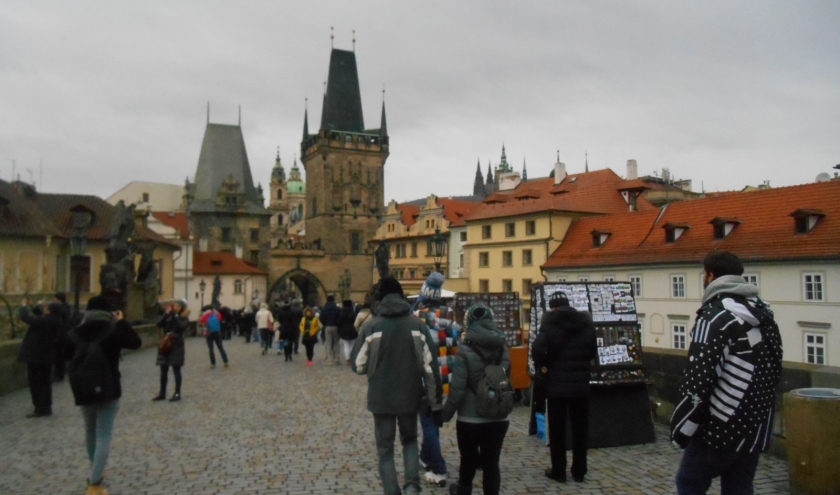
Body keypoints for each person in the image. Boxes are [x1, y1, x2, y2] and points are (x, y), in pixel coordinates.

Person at [671, 251, 783, 495]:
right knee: (739, 487)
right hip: (756, 424)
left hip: (721, 425)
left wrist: (681, 427)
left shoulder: (715, 316)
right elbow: (774, 368)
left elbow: (699, 378)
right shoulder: (763, 313)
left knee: (689, 482)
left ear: (710, 276)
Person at [351, 276, 442, 495]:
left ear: (380, 299)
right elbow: (431, 367)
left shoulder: (371, 326)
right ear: (401, 296)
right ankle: (412, 487)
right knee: (409, 441)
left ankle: (391, 490)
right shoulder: (417, 326)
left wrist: (375, 368)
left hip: (380, 397)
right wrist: (435, 402)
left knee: (385, 449)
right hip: (410, 395)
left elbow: (358, 365)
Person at [65, 295, 141, 495]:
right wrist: (121, 321)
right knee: (104, 434)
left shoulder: (76, 332)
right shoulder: (113, 330)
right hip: (109, 388)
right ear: (109, 312)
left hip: (83, 388)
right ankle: (95, 481)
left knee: (90, 432)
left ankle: (95, 470)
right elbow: (136, 342)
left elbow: (63, 353)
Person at [441, 303, 510, 495]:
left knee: (468, 458)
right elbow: (504, 379)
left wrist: (445, 415)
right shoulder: (503, 349)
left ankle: (463, 489)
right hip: (498, 415)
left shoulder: (464, 351)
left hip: (470, 418)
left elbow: (457, 390)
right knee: (492, 463)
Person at [531, 292, 597, 483]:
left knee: (558, 430)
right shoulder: (586, 324)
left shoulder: (549, 323)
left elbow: (537, 348)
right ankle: (579, 471)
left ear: (553, 307)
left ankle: (559, 471)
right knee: (580, 430)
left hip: (556, 386)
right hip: (580, 386)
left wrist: (544, 365)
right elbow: (593, 351)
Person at [17, 297, 62, 418]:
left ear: (50, 311)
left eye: (47, 308)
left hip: (36, 357)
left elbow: (26, 317)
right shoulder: (56, 320)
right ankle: (46, 407)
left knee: (36, 383)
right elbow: (39, 316)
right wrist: (36, 306)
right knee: (45, 383)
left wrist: (23, 305)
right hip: (46, 356)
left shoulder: (45, 321)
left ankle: (40, 408)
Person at [154, 300, 190, 401]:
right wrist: (166, 314)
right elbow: (159, 323)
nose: (175, 307)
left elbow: (181, 327)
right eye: (175, 306)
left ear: (182, 308)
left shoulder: (184, 318)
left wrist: (176, 316)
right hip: (165, 344)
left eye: (178, 306)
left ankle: (177, 393)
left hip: (176, 345)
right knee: (163, 369)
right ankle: (162, 393)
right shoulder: (169, 315)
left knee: (176, 369)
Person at [52, 292, 72, 382]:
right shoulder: (66, 307)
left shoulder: (61, 309)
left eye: (54, 299)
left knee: (58, 355)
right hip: (64, 334)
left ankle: (59, 374)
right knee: (60, 355)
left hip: (60, 335)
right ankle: (60, 373)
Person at [319, 295, 342, 365]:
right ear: (333, 300)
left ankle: (330, 360)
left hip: (327, 327)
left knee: (328, 343)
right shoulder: (337, 308)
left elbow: (321, 318)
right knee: (336, 343)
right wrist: (338, 324)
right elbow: (340, 317)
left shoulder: (324, 308)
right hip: (336, 327)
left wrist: (325, 323)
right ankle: (337, 358)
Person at [337, 299, 358, 365]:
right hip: (353, 330)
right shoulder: (353, 313)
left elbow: (339, 322)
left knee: (346, 345)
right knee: (352, 344)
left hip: (344, 330)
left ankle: (347, 359)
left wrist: (340, 329)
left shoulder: (341, 313)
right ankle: (351, 357)